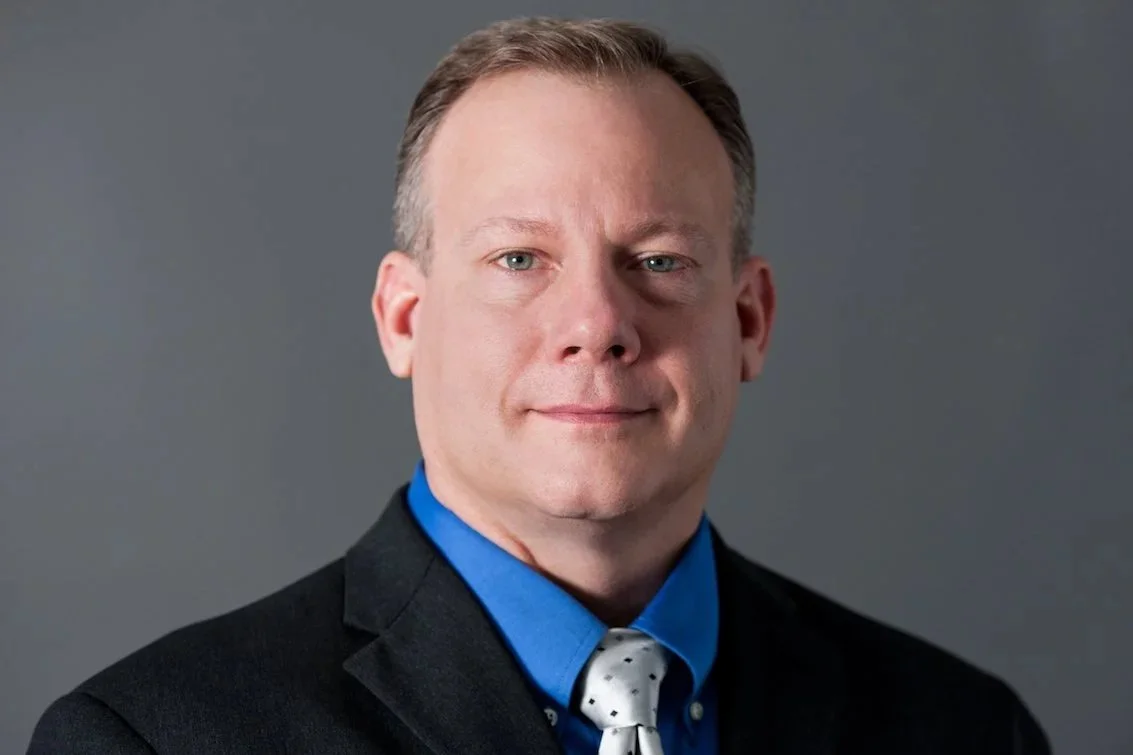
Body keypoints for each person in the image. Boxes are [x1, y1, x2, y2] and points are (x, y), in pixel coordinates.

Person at [28, 16, 1051, 755]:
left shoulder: (961, 728)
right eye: (519, 259)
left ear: (747, 319)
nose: (596, 326)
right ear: (404, 318)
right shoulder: (155, 738)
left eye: (656, 261)